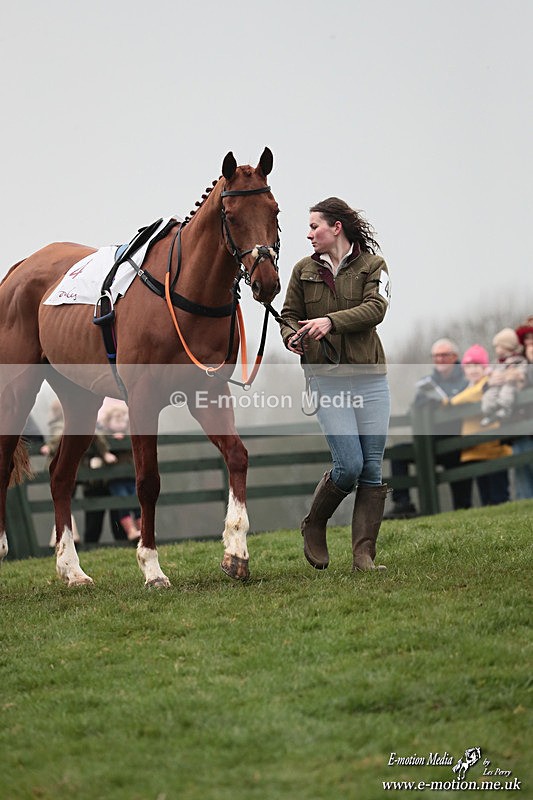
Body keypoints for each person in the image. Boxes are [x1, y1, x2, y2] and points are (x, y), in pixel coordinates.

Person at [280, 197, 391, 572]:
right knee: (349, 465)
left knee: (372, 469)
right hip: (326, 380)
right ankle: (315, 523)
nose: (309, 233)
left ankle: (364, 557)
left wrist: (329, 321)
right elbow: (289, 316)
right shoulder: (301, 271)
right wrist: (292, 335)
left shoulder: (374, 266)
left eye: (315, 226)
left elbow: (377, 309)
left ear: (336, 227)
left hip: (371, 379)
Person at [385, 338, 471, 517]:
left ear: (455, 357)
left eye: (444, 355)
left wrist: (445, 405)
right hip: (428, 444)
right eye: (436, 356)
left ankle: (463, 514)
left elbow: (466, 404)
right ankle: (403, 504)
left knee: (462, 499)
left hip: (458, 444)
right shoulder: (428, 382)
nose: (439, 359)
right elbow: (414, 409)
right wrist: (429, 404)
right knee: (398, 453)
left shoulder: (465, 378)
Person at [446, 344, 511, 505]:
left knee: (499, 495)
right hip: (474, 451)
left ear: (484, 367)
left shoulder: (488, 383)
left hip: (493, 449)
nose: (473, 370)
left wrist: (451, 402)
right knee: (486, 497)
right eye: (469, 366)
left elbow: (474, 395)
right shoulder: (468, 386)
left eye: (477, 365)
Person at [98, 403, 141, 542]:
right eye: (117, 420)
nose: (121, 423)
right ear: (108, 422)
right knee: (122, 502)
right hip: (116, 478)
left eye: (123, 420)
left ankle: (144, 531)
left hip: (130, 476)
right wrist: (107, 451)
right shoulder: (104, 436)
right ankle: (131, 530)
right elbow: (98, 441)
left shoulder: (130, 434)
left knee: (137, 501)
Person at [480, 328, 528, 426]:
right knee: (489, 396)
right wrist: (489, 374)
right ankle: (489, 414)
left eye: (500, 347)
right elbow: (490, 370)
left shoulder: (517, 360)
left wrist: (517, 374)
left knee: (507, 392)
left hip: (509, 384)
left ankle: (505, 410)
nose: (497, 350)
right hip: (497, 384)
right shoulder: (497, 361)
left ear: (507, 347)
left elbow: (522, 371)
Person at [512, 321, 533, 499]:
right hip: (523, 428)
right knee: (524, 477)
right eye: (527, 338)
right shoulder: (517, 362)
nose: (529, 342)